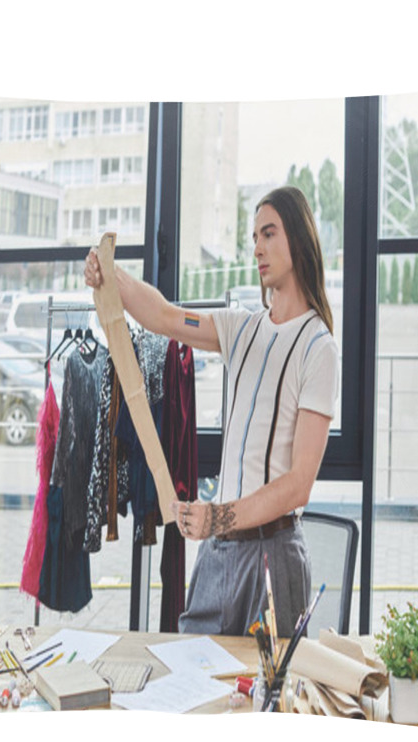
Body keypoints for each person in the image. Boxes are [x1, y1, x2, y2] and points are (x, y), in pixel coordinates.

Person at [84, 185, 339, 637]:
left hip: (274, 555)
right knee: (193, 678)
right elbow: (163, 316)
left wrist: (217, 517)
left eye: (269, 233)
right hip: (218, 553)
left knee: (267, 698)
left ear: (299, 239)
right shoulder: (239, 327)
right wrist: (111, 275)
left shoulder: (319, 348)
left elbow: (299, 484)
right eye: (254, 237)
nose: (257, 247)